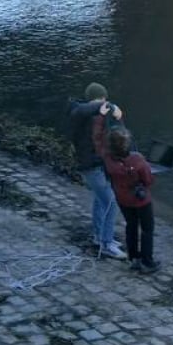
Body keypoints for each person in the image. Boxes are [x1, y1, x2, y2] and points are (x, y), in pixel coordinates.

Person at [68, 82, 127, 259]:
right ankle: (107, 243)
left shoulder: (93, 115)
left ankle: (99, 236)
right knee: (110, 202)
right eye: (102, 100)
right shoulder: (80, 112)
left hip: (98, 165)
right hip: (90, 166)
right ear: (99, 99)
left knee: (100, 201)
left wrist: (116, 116)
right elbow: (84, 112)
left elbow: (113, 136)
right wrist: (108, 107)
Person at [103, 127, 160, 274]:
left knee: (131, 226)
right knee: (147, 230)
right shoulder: (138, 159)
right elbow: (148, 180)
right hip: (141, 201)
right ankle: (148, 262)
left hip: (122, 199)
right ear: (127, 144)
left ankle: (134, 259)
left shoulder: (107, 158)